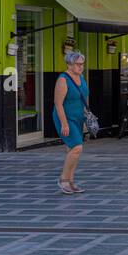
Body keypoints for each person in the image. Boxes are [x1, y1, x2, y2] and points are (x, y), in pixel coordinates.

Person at [53, 49, 89, 194]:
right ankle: (63, 179)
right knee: (77, 148)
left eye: (82, 64)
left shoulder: (81, 78)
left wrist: (86, 115)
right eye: (77, 64)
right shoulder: (63, 79)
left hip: (78, 117)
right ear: (69, 64)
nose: (81, 67)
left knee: (72, 150)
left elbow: (84, 98)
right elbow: (58, 103)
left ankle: (71, 181)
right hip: (65, 118)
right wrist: (64, 124)